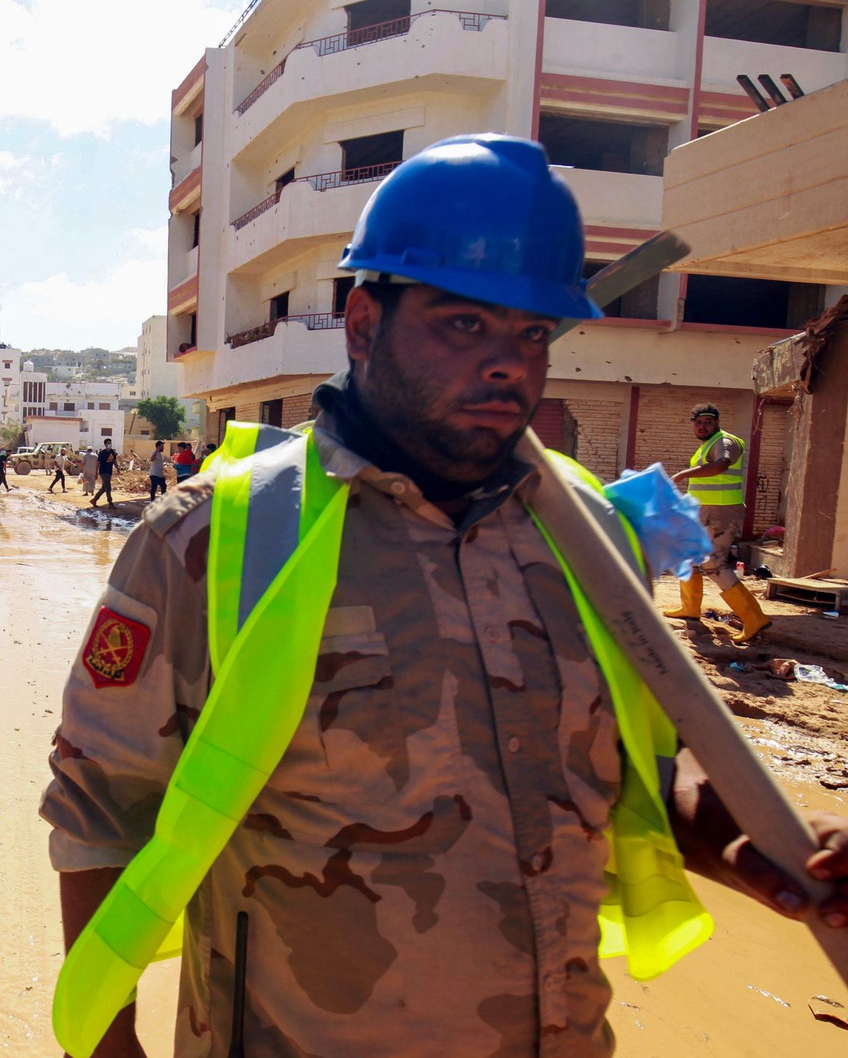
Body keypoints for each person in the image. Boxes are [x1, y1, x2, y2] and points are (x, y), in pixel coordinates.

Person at [41, 134, 848, 1057]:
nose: (508, 363)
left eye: (531, 333)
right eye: (466, 323)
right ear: (362, 325)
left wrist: (751, 834)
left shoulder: (596, 538)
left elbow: (631, 766)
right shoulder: (213, 537)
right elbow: (98, 807)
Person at [665, 404, 770, 642]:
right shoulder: (705, 446)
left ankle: (754, 618)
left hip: (721, 513)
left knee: (713, 564)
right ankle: (690, 609)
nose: (703, 426)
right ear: (693, 424)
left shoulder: (727, 442)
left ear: (717, 423)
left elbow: (722, 464)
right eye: (699, 422)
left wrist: (684, 474)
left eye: (708, 422)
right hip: (703, 512)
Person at [90, 439, 116, 508]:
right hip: (103, 472)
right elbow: (97, 463)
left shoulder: (112, 451)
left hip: (109, 471)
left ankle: (94, 500)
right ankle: (110, 502)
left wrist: (118, 468)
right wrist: (96, 472)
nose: (109, 444)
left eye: (110, 443)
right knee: (108, 487)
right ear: (105, 444)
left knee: (104, 488)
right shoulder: (102, 453)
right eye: (108, 443)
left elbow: (114, 460)